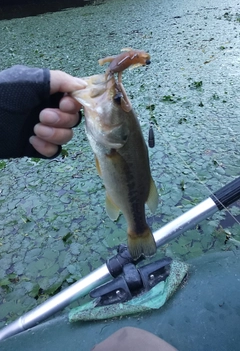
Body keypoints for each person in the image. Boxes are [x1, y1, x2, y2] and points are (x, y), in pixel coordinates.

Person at [0, 65, 178, 351]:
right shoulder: (112, 140)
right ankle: (138, 231)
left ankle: (137, 231)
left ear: (120, 129)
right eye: (117, 99)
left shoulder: (114, 141)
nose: (113, 96)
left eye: (116, 101)